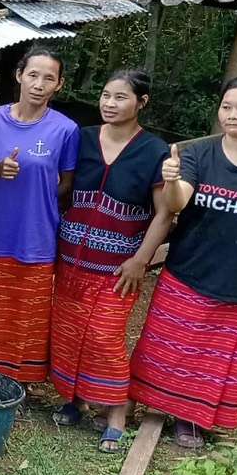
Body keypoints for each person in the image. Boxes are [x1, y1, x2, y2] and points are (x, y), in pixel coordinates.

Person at [130, 76, 237, 448]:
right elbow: (177, 203)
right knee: (169, 346)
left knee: (214, 357)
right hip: (189, 269)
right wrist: (172, 180)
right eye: (226, 106)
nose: (232, 115)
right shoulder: (198, 154)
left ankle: (191, 419)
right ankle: (154, 404)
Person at [49, 69, 174, 453]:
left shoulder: (154, 150)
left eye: (121, 97)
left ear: (142, 102)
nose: (109, 103)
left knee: (104, 337)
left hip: (120, 265)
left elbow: (164, 213)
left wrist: (141, 260)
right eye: (105, 95)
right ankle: (74, 401)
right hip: (70, 257)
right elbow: (62, 189)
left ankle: (116, 412)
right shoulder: (82, 138)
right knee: (69, 332)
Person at [0, 45, 79, 384]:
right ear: (19, 76)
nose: (39, 84)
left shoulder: (66, 129)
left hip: (37, 235)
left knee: (27, 312)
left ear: (59, 84)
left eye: (49, 78)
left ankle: (18, 377)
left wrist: (37, 201)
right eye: (33, 75)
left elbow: (66, 184)